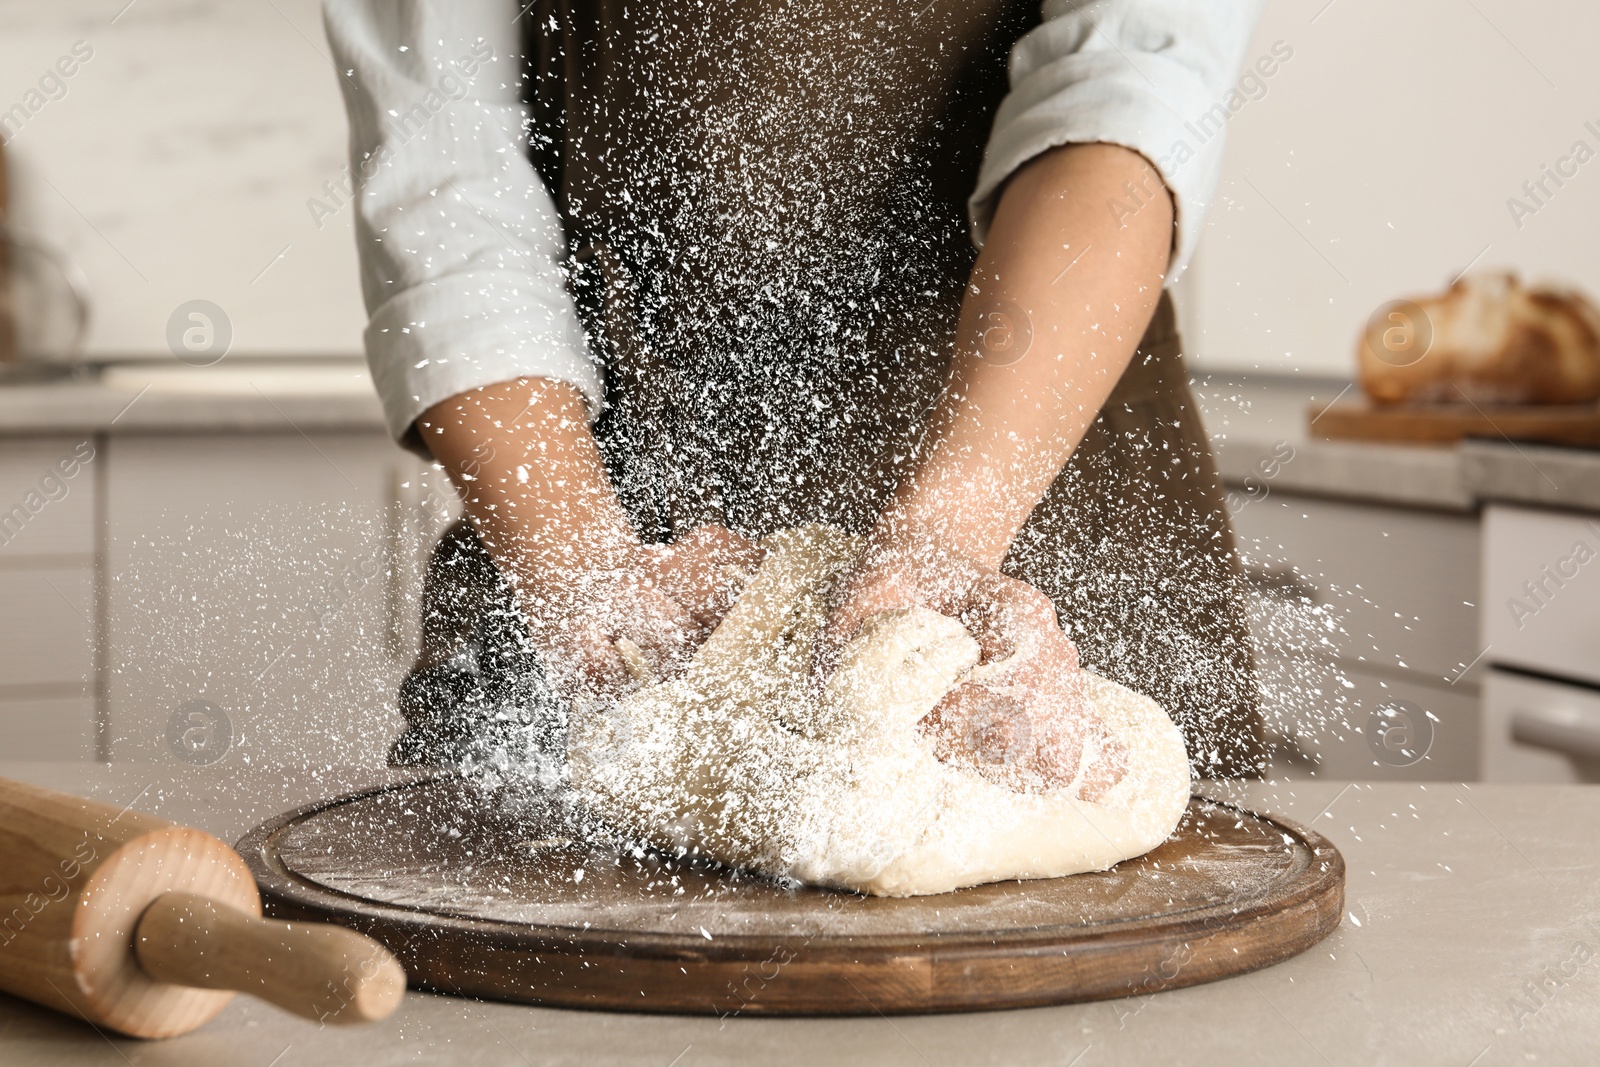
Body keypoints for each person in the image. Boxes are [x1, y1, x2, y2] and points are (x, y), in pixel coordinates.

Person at [323, 0, 1268, 782]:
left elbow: (1131, 99)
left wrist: (948, 541)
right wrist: (584, 572)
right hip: (597, 564)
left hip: (1049, 550)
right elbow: (448, 178)